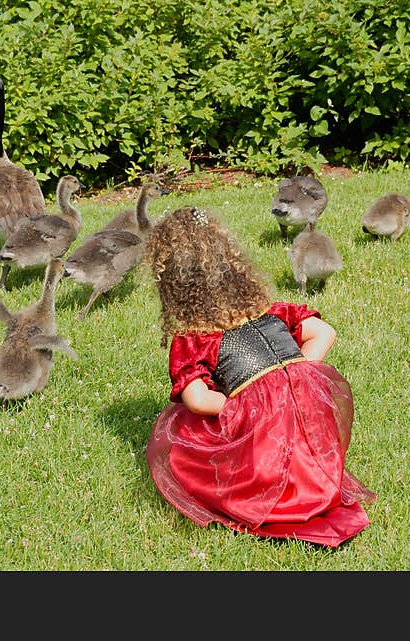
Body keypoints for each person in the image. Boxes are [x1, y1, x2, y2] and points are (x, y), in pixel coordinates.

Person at [143, 206, 376, 548]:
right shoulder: (273, 312)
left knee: (179, 431)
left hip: (264, 438)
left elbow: (196, 399)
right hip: (309, 417)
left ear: (173, 284)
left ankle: (267, 494)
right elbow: (324, 333)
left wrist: (235, 409)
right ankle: (310, 483)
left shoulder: (197, 336)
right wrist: (299, 377)